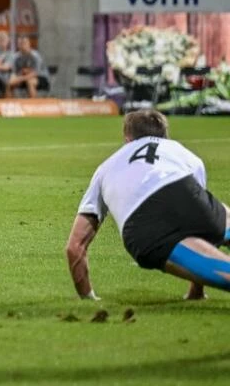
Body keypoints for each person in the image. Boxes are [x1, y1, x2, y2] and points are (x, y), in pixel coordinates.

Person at [66, 110, 230, 301]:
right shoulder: (182, 152)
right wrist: (197, 291)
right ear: (165, 135)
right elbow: (199, 216)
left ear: (127, 138)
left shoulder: (105, 168)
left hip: (144, 227)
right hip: (185, 194)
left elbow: (75, 247)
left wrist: (87, 298)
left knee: (223, 272)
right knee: (223, 212)